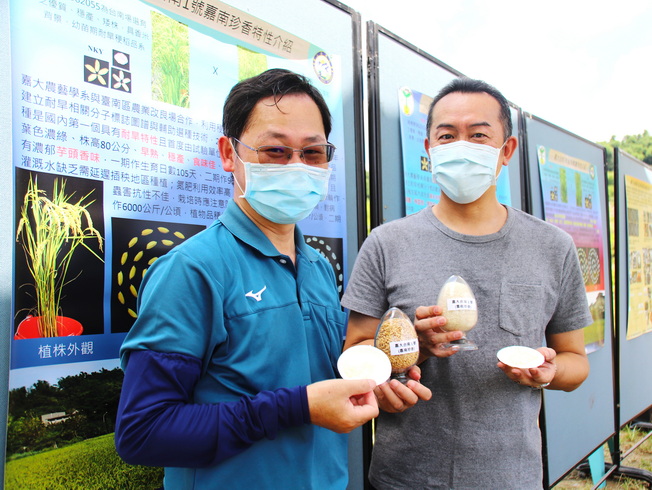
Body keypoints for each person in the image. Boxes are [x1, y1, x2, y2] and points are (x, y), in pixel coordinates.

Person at [115, 68, 379, 489]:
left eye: (312, 153)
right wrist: (297, 407)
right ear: (228, 153)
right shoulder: (192, 270)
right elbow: (142, 431)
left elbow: (326, 382)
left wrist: (394, 366)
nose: (297, 166)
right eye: (276, 151)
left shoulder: (319, 270)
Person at [341, 77, 592, 489]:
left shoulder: (552, 247)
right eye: (446, 135)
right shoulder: (387, 243)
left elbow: (575, 362)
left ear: (506, 150)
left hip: (512, 477)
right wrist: (410, 351)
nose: (461, 147)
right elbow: (356, 349)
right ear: (429, 150)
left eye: (478, 135)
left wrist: (547, 372)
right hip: (403, 477)